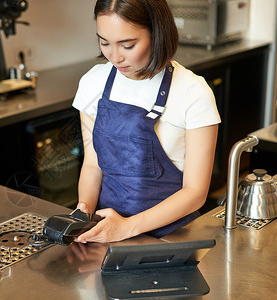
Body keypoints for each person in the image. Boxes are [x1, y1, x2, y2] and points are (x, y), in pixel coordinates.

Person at [72, 0, 221, 243]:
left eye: (127, 45)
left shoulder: (194, 92)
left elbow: (195, 192)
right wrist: (84, 212)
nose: (115, 56)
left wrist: (127, 227)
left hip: (172, 237)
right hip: (107, 232)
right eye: (104, 42)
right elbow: (92, 164)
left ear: (157, 33)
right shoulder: (93, 83)